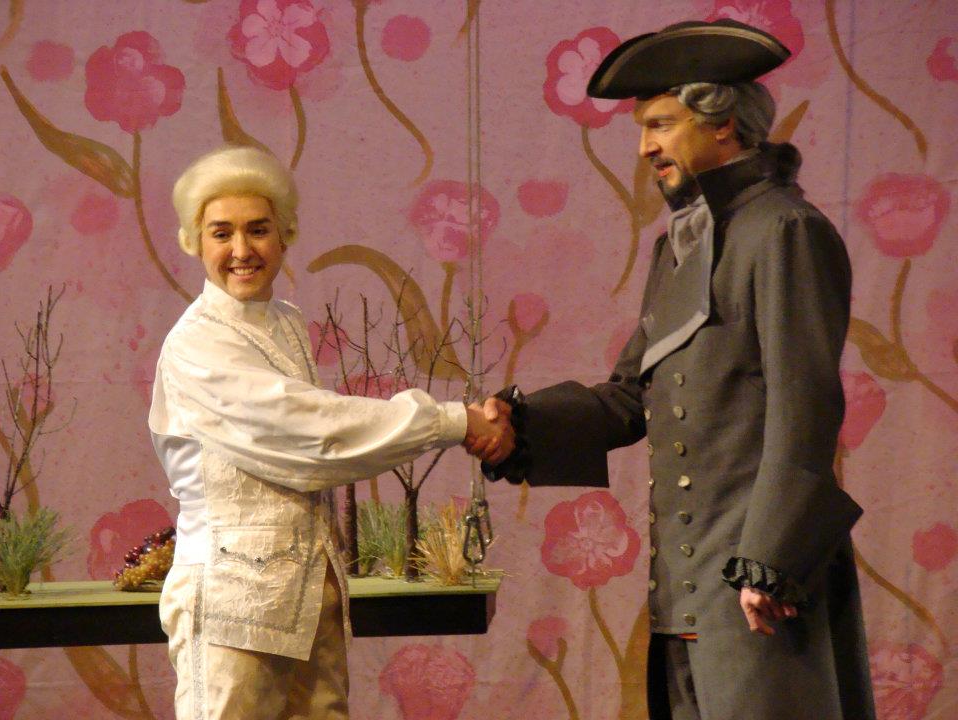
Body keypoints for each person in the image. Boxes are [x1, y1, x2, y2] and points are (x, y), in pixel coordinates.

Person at [469, 19, 875, 720]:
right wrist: (519, 427)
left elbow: (806, 406)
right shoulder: (681, 244)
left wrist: (772, 560)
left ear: (723, 125)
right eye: (643, 129)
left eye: (661, 125)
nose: (645, 147)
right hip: (687, 585)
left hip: (758, 576)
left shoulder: (785, 230)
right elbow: (632, 396)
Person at [149, 145, 511, 720]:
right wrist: (453, 420)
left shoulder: (286, 323)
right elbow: (314, 436)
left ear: (284, 236)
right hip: (231, 599)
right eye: (221, 233)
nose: (241, 250)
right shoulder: (198, 342)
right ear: (195, 242)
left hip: (309, 589)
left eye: (258, 230)